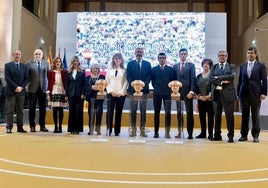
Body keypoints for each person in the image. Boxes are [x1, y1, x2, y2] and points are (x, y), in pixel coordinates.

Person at [237, 46, 267, 142]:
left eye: (252, 53)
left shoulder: (261, 65)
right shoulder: (242, 66)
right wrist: (238, 94)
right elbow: (240, 81)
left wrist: (263, 93)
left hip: (256, 94)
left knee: (255, 115)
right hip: (244, 94)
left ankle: (255, 136)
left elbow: (264, 80)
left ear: (255, 54)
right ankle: (244, 135)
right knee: (244, 115)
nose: (250, 55)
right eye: (248, 53)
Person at [210, 50, 237, 143]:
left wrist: (218, 78)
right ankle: (217, 135)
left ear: (227, 57)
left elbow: (232, 77)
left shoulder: (231, 66)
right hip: (217, 95)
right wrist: (222, 81)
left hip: (228, 95)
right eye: (220, 55)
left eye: (224, 55)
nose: (222, 57)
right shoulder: (214, 67)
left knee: (229, 116)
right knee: (217, 116)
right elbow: (211, 78)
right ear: (218, 57)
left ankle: (230, 136)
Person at [126, 47, 151, 137]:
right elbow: (128, 76)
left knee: (143, 111)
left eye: (140, 52)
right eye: (137, 52)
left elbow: (149, 76)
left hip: (144, 91)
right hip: (133, 91)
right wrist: (133, 84)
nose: (139, 53)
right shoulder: (130, 64)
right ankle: (133, 130)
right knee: (133, 111)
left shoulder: (148, 64)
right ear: (135, 53)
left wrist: (143, 84)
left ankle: (142, 130)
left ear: (143, 53)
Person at [173, 48, 196, 139]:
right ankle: (180, 132)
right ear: (179, 55)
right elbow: (173, 80)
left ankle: (190, 133)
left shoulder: (191, 66)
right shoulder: (175, 66)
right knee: (179, 113)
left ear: (187, 55)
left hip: (188, 93)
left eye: (184, 54)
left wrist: (191, 91)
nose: (183, 55)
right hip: (178, 93)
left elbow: (193, 79)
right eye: (181, 54)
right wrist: (174, 92)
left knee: (189, 113)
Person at [151, 52, 175, 138]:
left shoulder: (170, 69)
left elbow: (172, 81)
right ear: (158, 59)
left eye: (163, 58)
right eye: (160, 58)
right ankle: (156, 132)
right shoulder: (153, 69)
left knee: (167, 113)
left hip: (167, 93)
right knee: (156, 113)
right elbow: (153, 82)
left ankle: (167, 132)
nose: (162, 59)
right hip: (157, 93)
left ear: (165, 59)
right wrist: (157, 87)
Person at [4, 49, 28, 133]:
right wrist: (15, 87)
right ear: (13, 55)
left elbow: (26, 78)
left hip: (21, 91)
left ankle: (20, 127)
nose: (18, 56)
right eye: (16, 54)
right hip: (11, 91)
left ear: (21, 55)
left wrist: (21, 87)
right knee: (10, 109)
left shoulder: (24, 66)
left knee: (20, 110)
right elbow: (7, 78)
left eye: (19, 54)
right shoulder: (8, 65)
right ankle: (9, 127)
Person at [26, 48, 50, 132]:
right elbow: (26, 76)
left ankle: (42, 126)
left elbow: (48, 76)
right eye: (36, 54)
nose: (38, 55)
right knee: (32, 108)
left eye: (39, 54)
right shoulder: (29, 63)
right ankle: (32, 126)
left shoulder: (46, 64)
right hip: (32, 89)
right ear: (34, 55)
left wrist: (48, 89)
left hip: (43, 89)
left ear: (42, 55)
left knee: (43, 109)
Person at [106, 53, 128, 136]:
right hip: (111, 94)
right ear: (113, 60)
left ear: (121, 60)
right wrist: (111, 91)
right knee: (110, 112)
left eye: (119, 58)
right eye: (116, 58)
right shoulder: (109, 69)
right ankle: (109, 130)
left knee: (118, 113)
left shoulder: (124, 70)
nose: (117, 60)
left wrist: (121, 93)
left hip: (120, 95)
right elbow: (107, 81)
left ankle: (117, 131)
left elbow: (126, 82)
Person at [47, 57, 68, 133]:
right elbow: (49, 83)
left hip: (62, 90)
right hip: (54, 90)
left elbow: (66, 83)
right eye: (56, 62)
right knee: (55, 110)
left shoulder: (65, 72)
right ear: (54, 63)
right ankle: (56, 127)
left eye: (59, 61)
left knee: (61, 109)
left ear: (61, 63)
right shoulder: (51, 72)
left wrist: (67, 93)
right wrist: (48, 93)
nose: (58, 63)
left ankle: (60, 126)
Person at [195, 59, 214, 140]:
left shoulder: (212, 76)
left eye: (207, 64)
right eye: (204, 64)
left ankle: (210, 134)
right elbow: (196, 87)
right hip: (200, 100)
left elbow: (214, 87)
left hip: (210, 100)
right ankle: (203, 133)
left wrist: (208, 96)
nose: (205, 65)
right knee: (202, 117)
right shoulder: (198, 76)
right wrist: (199, 96)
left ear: (210, 66)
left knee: (210, 117)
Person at [66, 56, 85, 134]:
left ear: (79, 62)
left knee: (78, 112)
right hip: (71, 95)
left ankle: (78, 129)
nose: (75, 62)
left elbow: (84, 84)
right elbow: (67, 84)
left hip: (79, 95)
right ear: (72, 62)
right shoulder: (69, 73)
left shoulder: (82, 72)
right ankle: (71, 129)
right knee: (72, 112)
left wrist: (83, 93)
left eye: (77, 61)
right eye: (74, 61)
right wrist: (66, 95)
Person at [84, 64, 105, 135]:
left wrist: (100, 88)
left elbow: (105, 86)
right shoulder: (87, 78)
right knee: (91, 114)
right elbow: (85, 87)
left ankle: (98, 129)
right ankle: (91, 129)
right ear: (91, 70)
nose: (95, 70)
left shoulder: (102, 77)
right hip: (91, 98)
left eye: (96, 68)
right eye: (93, 68)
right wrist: (91, 88)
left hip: (100, 98)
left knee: (99, 113)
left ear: (98, 69)